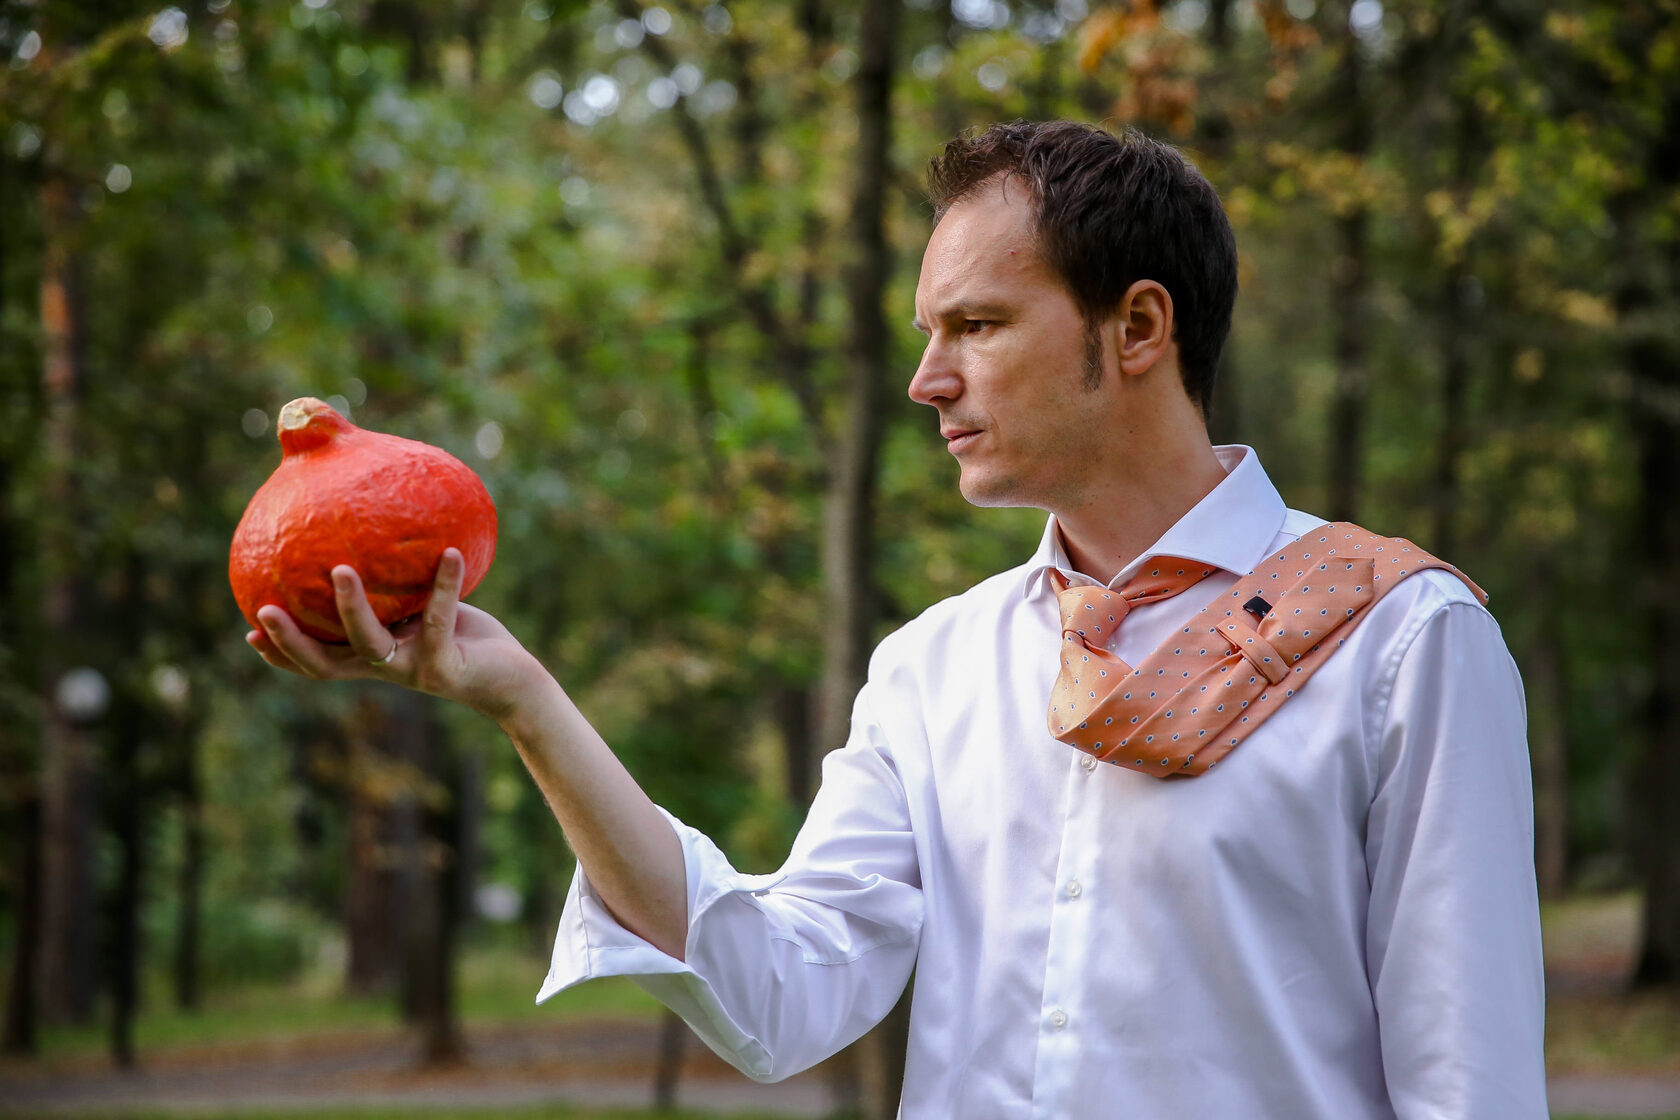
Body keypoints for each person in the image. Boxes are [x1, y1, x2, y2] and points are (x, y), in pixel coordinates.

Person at [247, 120, 1548, 1117]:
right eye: (929, 333)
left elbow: (1472, 1088)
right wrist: (525, 702)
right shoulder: (935, 668)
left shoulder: (1403, 643)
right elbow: (777, 996)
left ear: (1139, 327)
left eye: (977, 325)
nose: (929, 380)